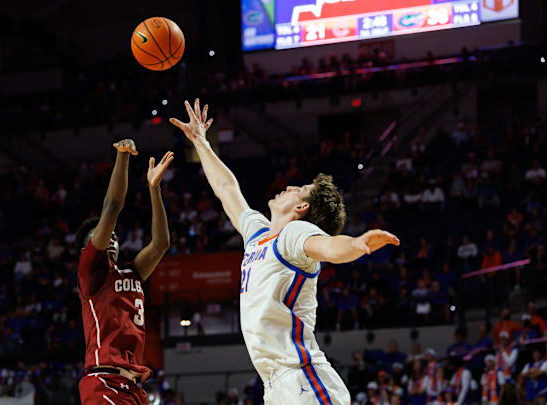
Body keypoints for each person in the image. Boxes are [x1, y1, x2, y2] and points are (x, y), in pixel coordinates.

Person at [170, 99, 399, 405]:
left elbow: (328, 246)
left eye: (297, 190)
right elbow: (227, 191)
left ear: (302, 208)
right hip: (275, 384)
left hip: (301, 376)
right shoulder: (259, 235)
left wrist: (357, 244)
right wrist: (201, 142)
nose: (288, 187)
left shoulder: (294, 234)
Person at [75, 140, 173, 405]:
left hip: (132, 386)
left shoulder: (132, 272)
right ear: (88, 247)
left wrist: (154, 189)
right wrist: (123, 157)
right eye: (105, 235)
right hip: (103, 381)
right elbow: (112, 208)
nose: (112, 238)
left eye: (116, 236)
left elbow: (161, 243)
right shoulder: (91, 272)